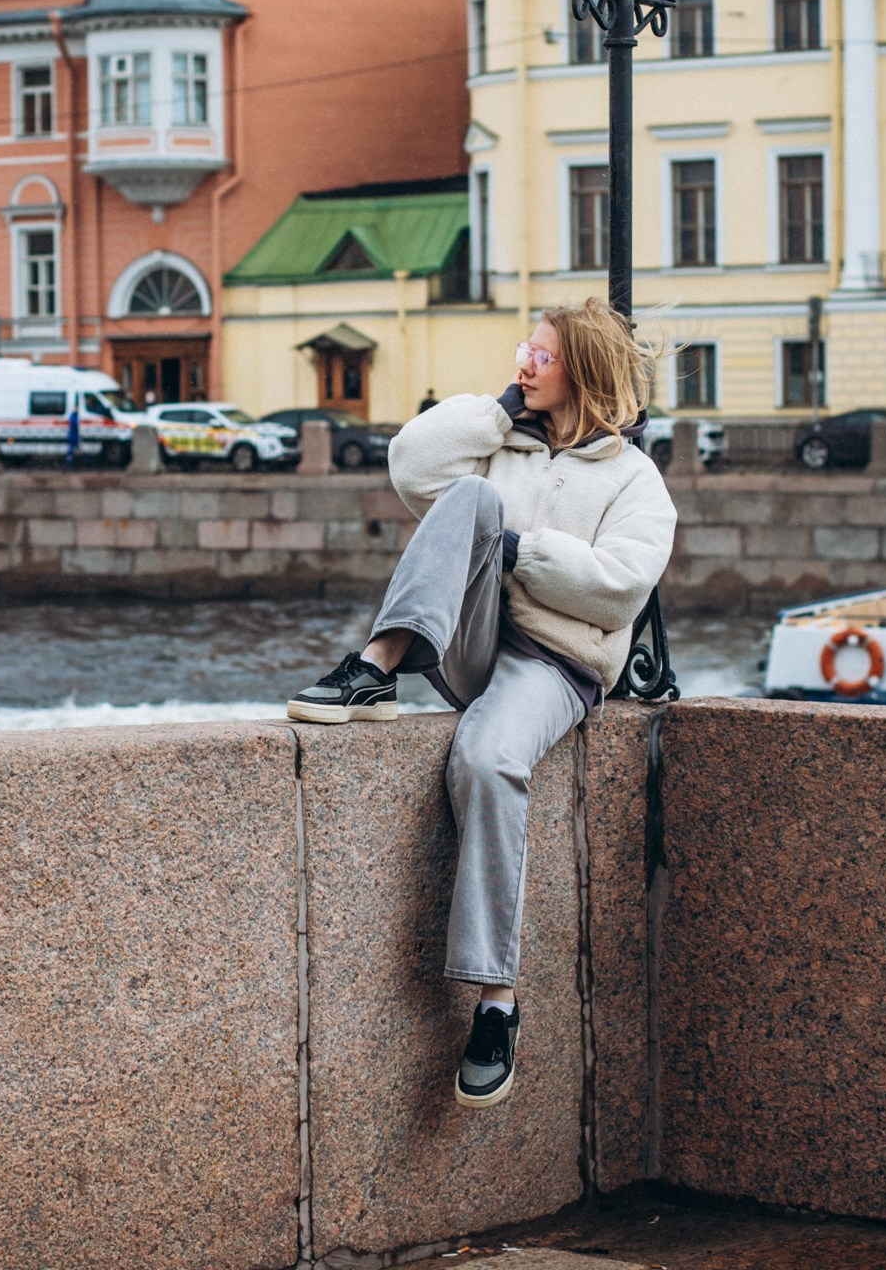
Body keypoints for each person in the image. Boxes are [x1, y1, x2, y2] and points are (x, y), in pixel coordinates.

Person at [286, 298, 676, 1111]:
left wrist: (519, 553)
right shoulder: (504, 441)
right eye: (524, 349)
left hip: (555, 664)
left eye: (541, 356)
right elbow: (411, 469)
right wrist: (497, 413)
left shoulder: (636, 482)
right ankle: (374, 666)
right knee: (466, 501)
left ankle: (495, 1005)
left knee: (489, 759)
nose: (523, 362)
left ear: (585, 374)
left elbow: (617, 591)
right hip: (468, 641)